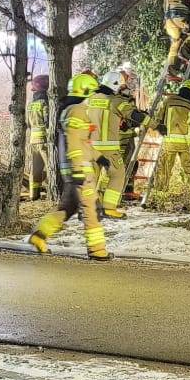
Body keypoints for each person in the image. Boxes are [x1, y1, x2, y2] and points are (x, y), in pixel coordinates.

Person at [28, 73, 110, 260]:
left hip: (73, 171)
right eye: (92, 93)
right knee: (90, 211)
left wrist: (99, 157)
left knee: (66, 209)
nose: (94, 97)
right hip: (80, 171)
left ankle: (39, 236)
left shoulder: (70, 109)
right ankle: (97, 251)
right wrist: (78, 169)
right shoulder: (77, 111)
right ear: (85, 92)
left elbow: (82, 142)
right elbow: (74, 141)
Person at [89, 71, 140, 219]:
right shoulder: (116, 100)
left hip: (91, 146)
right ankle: (109, 208)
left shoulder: (90, 99)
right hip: (111, 146)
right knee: (117, 174)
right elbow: (131, 117)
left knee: (92, 178)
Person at [151, 80, 190, 197]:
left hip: (169, 142)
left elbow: (158, 118)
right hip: (186, 143)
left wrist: (161, 129)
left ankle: (160, 194)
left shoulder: (168, 100)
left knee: (165, 167)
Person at [25, 74, 50, 201]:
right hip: (44, 141)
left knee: (35, 169)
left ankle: (33, 195)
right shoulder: (45, 103)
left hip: (33, 141)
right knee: (51, 167)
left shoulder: (30, 105)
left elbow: (28, 124)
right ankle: (52, 193)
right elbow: (48, 121)